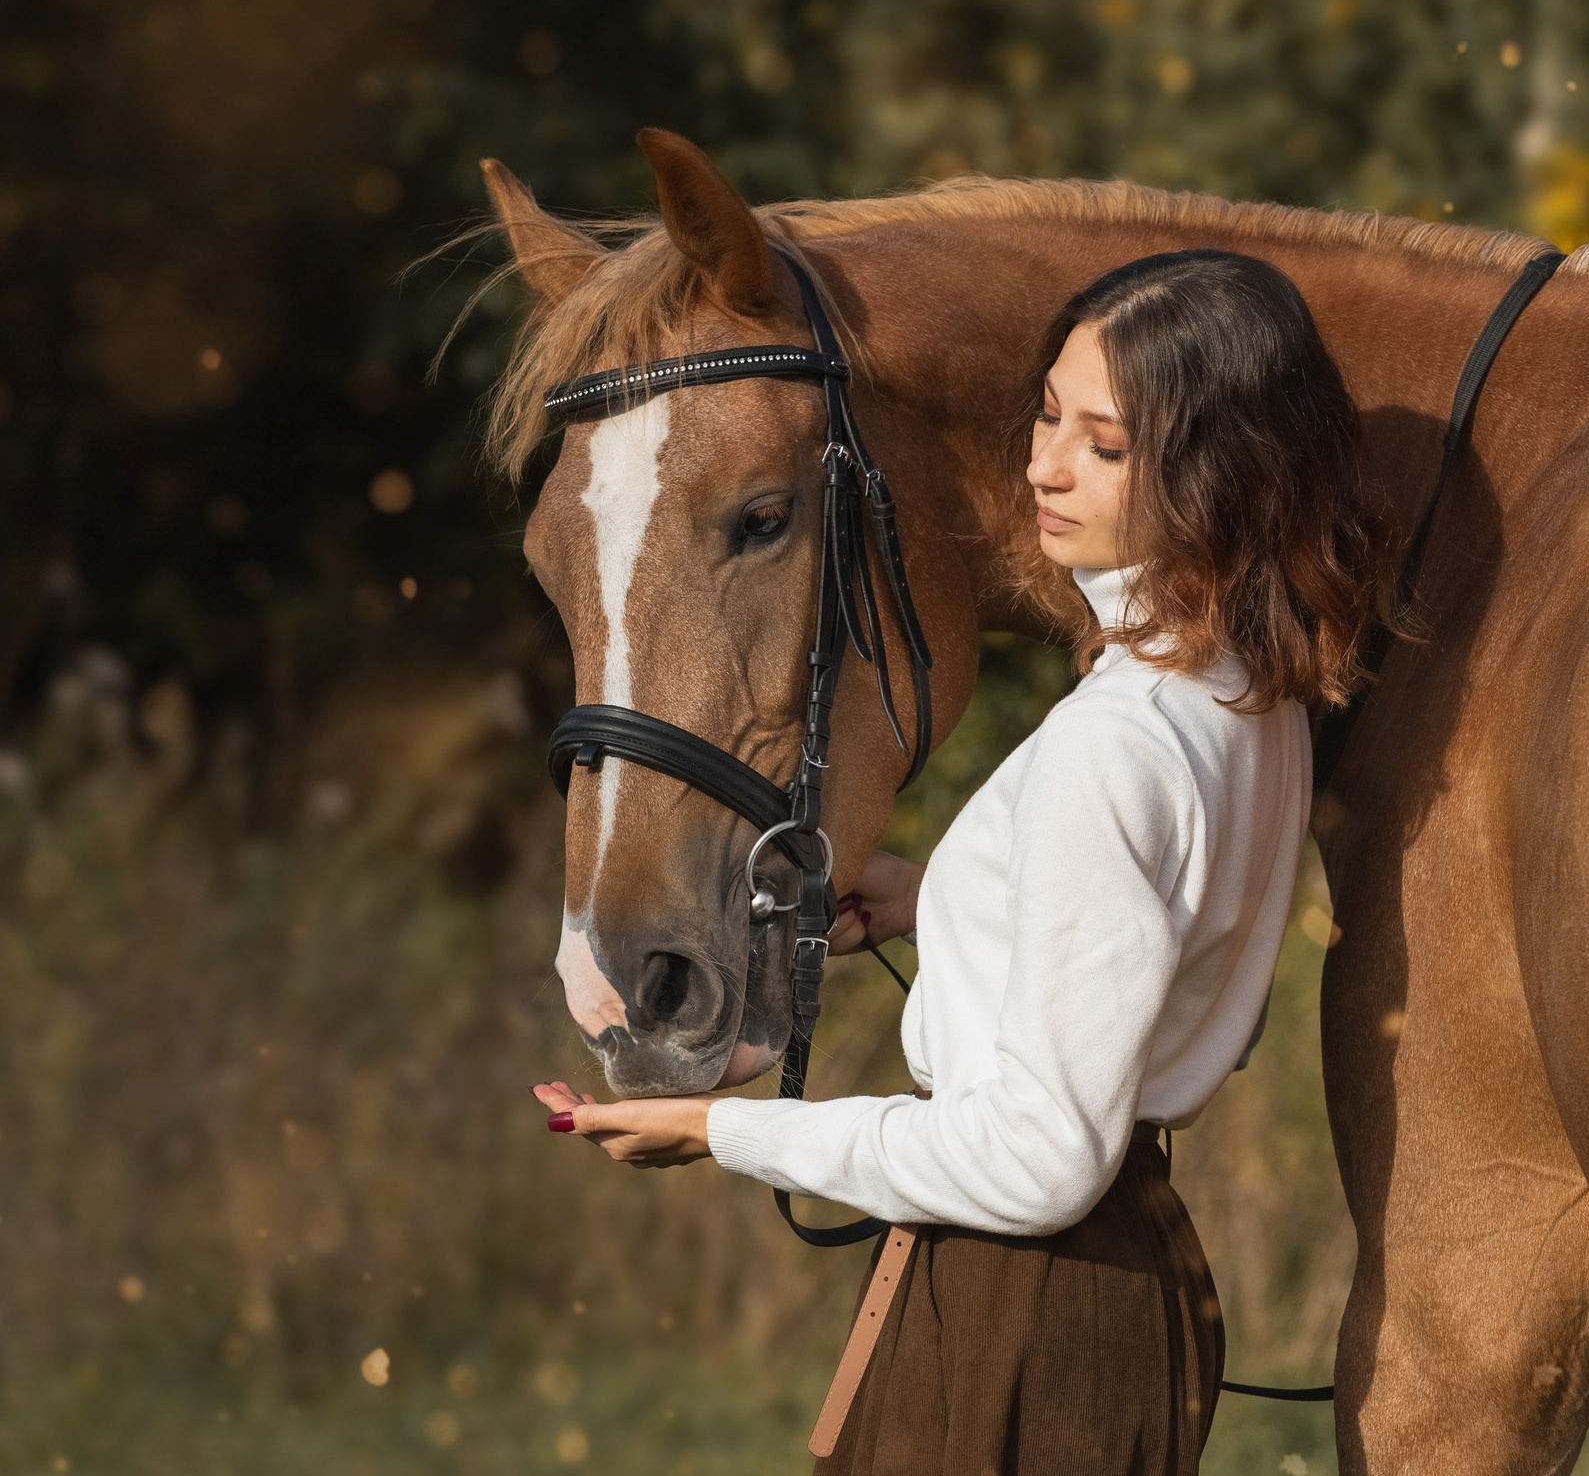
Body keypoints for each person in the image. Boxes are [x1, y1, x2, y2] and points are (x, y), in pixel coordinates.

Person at [529, 248, 1398, 1474]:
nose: (1042, 465)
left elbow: (1034, 1161)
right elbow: (1163, 930)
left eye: (1104, 443)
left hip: (1022, 1302)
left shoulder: (1116, 737)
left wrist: (727, 1132)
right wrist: (946, 899)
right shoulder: (1243, 687)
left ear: (1216, 471)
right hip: (1116, 1288)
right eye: (1046, 414)